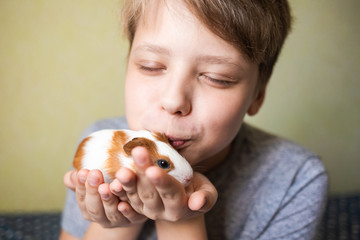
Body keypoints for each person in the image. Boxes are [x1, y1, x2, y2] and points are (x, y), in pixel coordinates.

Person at [60, 0, 328, 239]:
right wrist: (121, 217)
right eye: (151, 66)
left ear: (257, 96)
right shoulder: (99, 148)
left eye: (217, 78)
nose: (174, 101)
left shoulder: (296, 178)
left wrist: (181, 217)